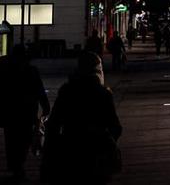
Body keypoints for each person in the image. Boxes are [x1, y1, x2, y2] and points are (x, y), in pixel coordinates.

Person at [41, 52, 122, 184]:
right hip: (97, 154)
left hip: (71, 152)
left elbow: (54, 123)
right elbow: (115, 126)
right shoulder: (103, 94)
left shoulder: (67, 91)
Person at [0, 44, 50, 182]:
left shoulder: (5, 70)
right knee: (24, 140)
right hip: (27, 113)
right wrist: (45, 106)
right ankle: (19, 166)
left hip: (10, 113)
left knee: (11, 140)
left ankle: (15, 167)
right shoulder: (31, 71)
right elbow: (39, 90)